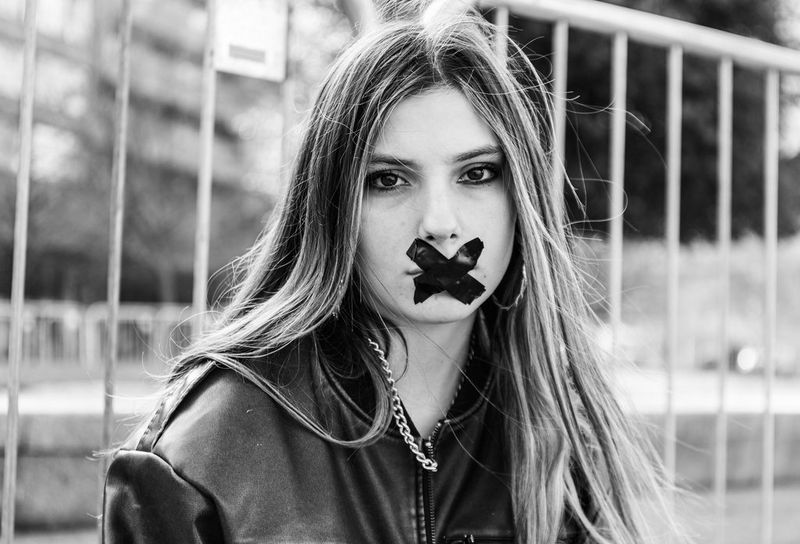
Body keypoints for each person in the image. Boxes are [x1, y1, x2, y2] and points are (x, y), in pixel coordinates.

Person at [102, 5, 680, 544]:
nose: (440, 224)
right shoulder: (198, 460)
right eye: (388, 180)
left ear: (521, 197)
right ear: (332, 211)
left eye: (477, 174)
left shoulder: (554, 423)